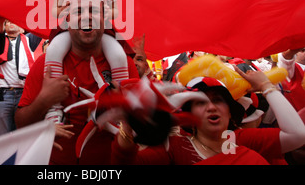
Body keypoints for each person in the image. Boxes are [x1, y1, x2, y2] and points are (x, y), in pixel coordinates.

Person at [15, 0, 140, 165]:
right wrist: (44, 100)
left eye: (94, 11)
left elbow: (143, 128)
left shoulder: (125, 65)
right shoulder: (46, 65)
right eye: (78, 11)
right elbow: (21, 124)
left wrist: (127, 110)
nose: (87, 17)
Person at [112, 68, 305, 165]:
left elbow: (298, 135)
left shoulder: (242, 141)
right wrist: (128, 126)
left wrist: (266, 87)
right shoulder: (173, 147)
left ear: (230, 112)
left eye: (218, 100)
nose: (211, 107)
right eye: (200, 102)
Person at [45, 0, 129, 122]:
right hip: (69, 30)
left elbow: (117, 11)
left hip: (102, 32)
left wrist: (107, 13)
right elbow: (52, 10)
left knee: (118, 54)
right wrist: (65, 9)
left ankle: (120, 104)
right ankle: (53, 108)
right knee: (53, 51)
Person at [0, 20, 42, 135]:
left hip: (23, 95)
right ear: (4, 26)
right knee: (2, 137)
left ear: (22, 29)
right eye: (7, 21)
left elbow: (42, 24)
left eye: (14, 20)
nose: (11, 22)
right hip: (3, 95)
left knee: (23, 135)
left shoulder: (29, 41)